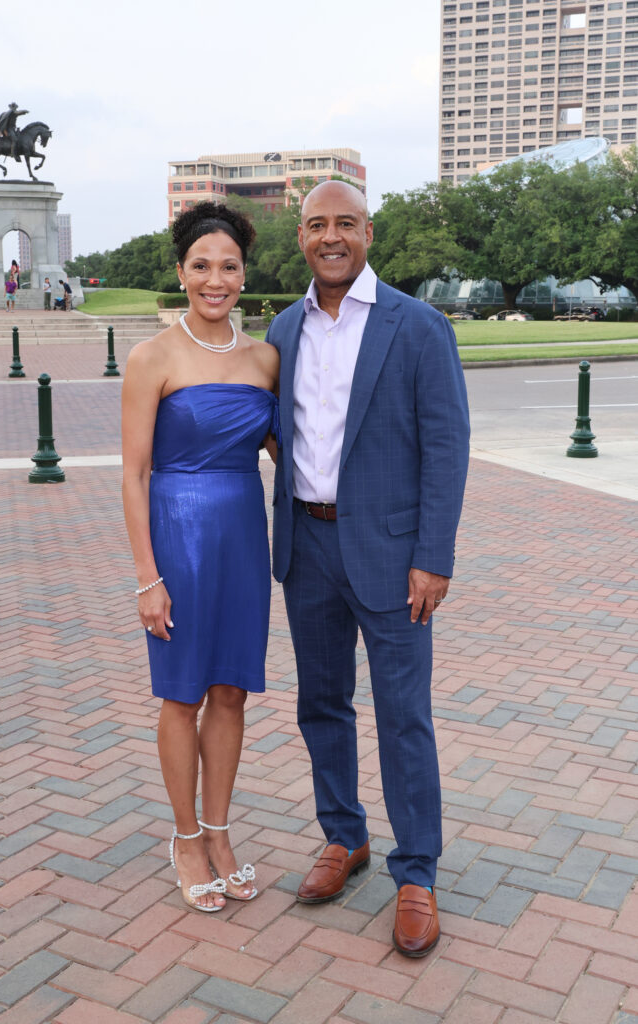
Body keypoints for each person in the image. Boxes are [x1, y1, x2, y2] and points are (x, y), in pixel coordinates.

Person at [266, 181, 470, 957]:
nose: (330, 236)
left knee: (401, 714)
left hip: (391, 556)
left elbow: (446, 446)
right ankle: (341, 838)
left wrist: (432, 556)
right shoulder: (282, 330)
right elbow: (277, 431)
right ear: (302, 239)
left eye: (344, 223)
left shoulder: (416, 327)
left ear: (368, 233)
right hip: (307, 548)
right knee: (320, 704)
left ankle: (415, 872)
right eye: (316, 225)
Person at [121, 202, 279, 913]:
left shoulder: (264, 359)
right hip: (177, 540)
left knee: (231, 691)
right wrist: (147, 578)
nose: (216, 280)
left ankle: (219, 831)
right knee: (180, 694)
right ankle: (184, 838)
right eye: (201, 266)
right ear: (181, 272)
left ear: (244, 273)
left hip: (244, 537)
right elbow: (133, 474)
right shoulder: (151, 356)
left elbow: (289, 451)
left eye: (228, 266)